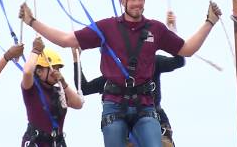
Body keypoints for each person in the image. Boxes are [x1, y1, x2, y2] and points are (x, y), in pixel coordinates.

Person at [19, 0, 221, 147]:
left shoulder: (155, 29)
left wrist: (209, 22)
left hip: (145, 105)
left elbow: (187, 50)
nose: (137, 3)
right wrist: (32, 22)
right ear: (122, 1)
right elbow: (66, 40)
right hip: (114, 105)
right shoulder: (107, 28)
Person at [71, 12, 184, 147]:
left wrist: (171, 34)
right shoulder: (114, 78)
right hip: (124, 124)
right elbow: (85, 88)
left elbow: (179, 60)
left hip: (151, 118)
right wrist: (76, 60)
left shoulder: (153, 62)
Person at [21, 37, 83, 147]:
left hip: (56, 143)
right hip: (36, 142)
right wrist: (35, 51)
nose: (56, 72)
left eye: (58, 69)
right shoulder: (31, 89)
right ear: (39, 71)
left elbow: (78, 104)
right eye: (53, 68)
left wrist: (63, 83)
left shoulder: (59, 92)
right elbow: (27, 72)